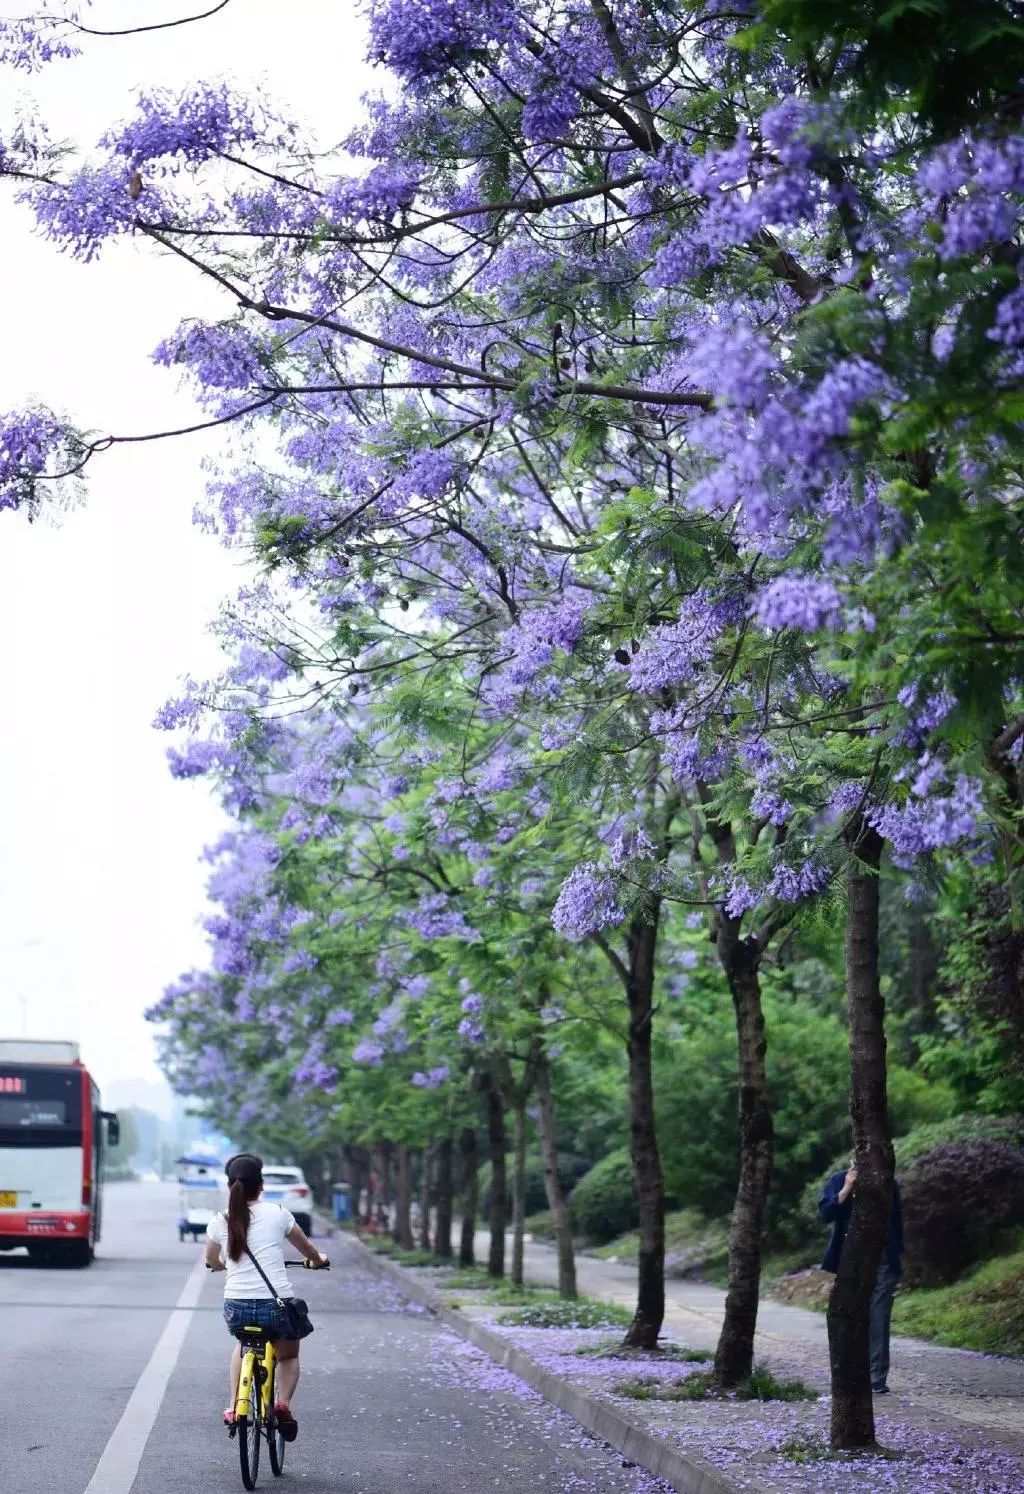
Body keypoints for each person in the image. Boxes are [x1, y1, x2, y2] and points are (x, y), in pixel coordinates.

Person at [205, 1152, 328, 1438]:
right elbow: (307, 1250)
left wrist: (223, 1265)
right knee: (287, 1355)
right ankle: (282, 1404)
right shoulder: (278, 1214)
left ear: (229, 1186)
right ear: (261, 1185)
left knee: (243, 1344)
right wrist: (318, 1260)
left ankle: (236, 1405)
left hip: (236, 1307)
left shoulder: (219, 1221)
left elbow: (212, 1260)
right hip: (276, 1306)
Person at [818, 1155, 903, 1394]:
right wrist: (846, 1188)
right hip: (849, 1259)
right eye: (858, 1157)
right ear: (851, 1159)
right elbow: (825, 1213)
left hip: (883, 1258)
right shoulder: (837, 1180)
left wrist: (896, 1253)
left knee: (879, 1317)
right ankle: (849, 1374)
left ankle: (876, 1379)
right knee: (849, 1316)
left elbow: (896, 1220)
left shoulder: (888, 1182)